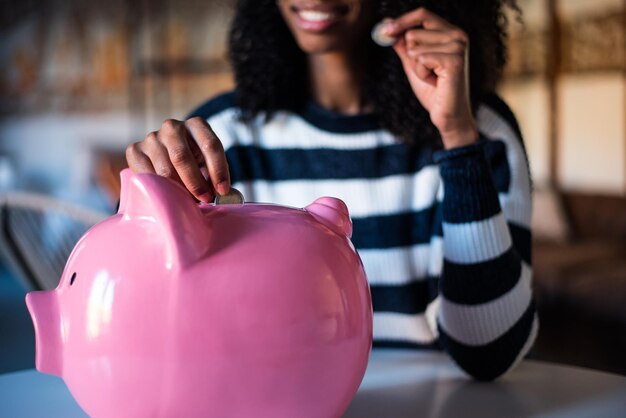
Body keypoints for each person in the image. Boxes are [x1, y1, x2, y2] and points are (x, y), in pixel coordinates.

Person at [126, 0, 537, 381]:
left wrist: (459, 138)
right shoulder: (221, 138)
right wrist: (152, 199)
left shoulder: (479, 132)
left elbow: (490, 354)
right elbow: (139, 329)